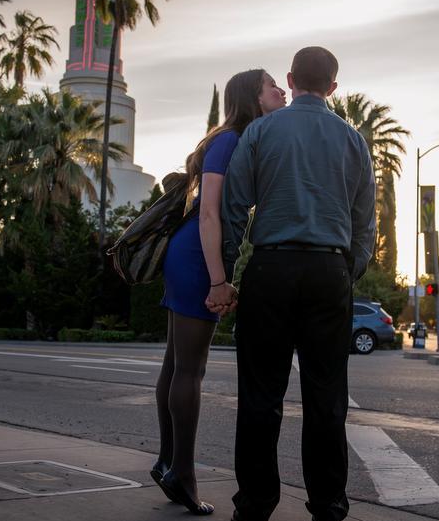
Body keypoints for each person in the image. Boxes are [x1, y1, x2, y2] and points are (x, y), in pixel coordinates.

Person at [222, 47, 376, 521]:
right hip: (328, 272)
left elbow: (232, 207)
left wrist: (227, 274)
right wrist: (346, 272)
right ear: (333, 87)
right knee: (327, 397)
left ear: (290, 80)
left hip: (270, 270)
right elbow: (365, 224)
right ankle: (328, 504)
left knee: (259, 396)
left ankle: (255, 504)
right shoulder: (353, 141)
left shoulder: (262, 131)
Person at [153, 68, 286, 515]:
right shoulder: (229, 140)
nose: (280, 90)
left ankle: (167, 460)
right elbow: (209, 214)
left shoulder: (237, 138)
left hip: (193, 255)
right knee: (190, 370)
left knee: (176, 364)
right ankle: (183, 474)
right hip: (197, 258)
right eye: (272, 84)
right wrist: (218, 280)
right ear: (253, 95)